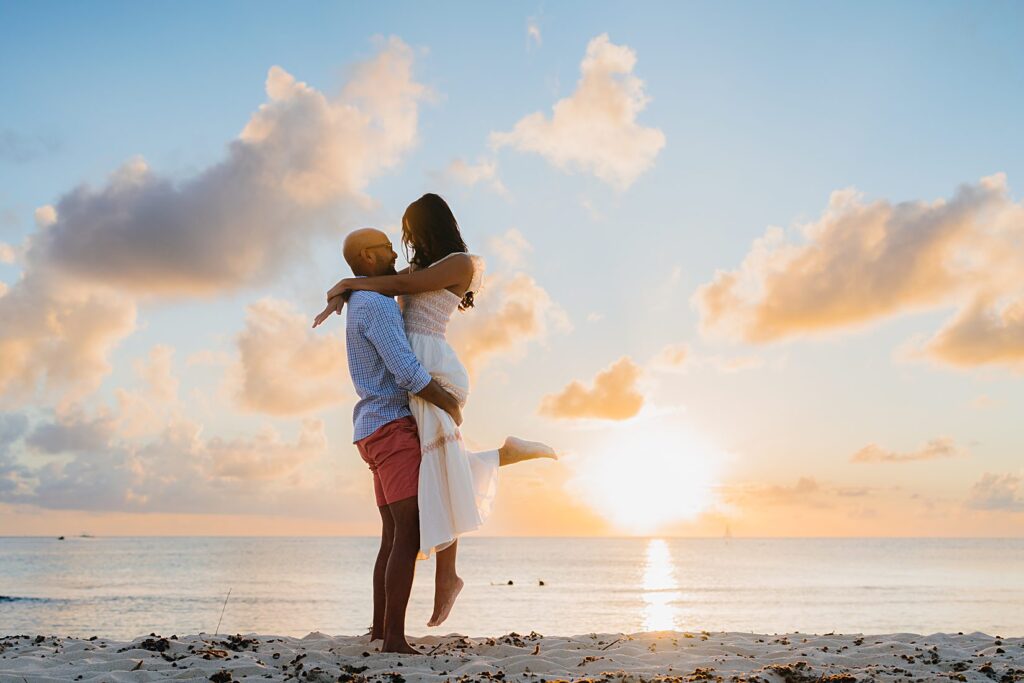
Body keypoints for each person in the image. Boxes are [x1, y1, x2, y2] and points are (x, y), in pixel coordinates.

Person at [314, 194, 555, 628]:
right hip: (414, 370)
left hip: (433, 368)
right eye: (393, 241)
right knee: (443, 471)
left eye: (406, 234)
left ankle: (445, 580)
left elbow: (397, 287)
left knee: (440, 474)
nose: (402, 245)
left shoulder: (460, 262)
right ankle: (502, 459)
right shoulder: (415, 273)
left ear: (428, 227)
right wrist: (346, 287)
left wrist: (347, 286)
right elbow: (385, 280)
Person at [333, 229, 463, 654]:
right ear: (369, 257)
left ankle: (379, 629)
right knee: (408, 532)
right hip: (390, 427)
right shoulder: (376, 304)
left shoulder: (361, 300)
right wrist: (448, 403)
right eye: (387, 247)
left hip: (369, 429)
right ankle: (393, 639)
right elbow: (405, 368)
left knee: (392, 533)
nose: (395, 252)